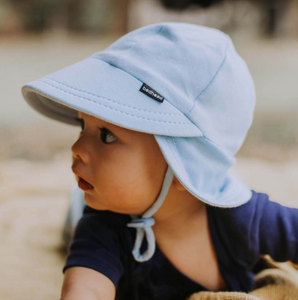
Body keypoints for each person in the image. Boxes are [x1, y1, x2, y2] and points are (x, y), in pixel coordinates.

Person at [21, 22, 298, 300]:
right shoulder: (103, 226)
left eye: (107, 135)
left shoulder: (242, 219)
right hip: (89, 204)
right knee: (76, 211)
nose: (77, 147)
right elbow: (86, 289)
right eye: (83, 126)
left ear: (183, 166)